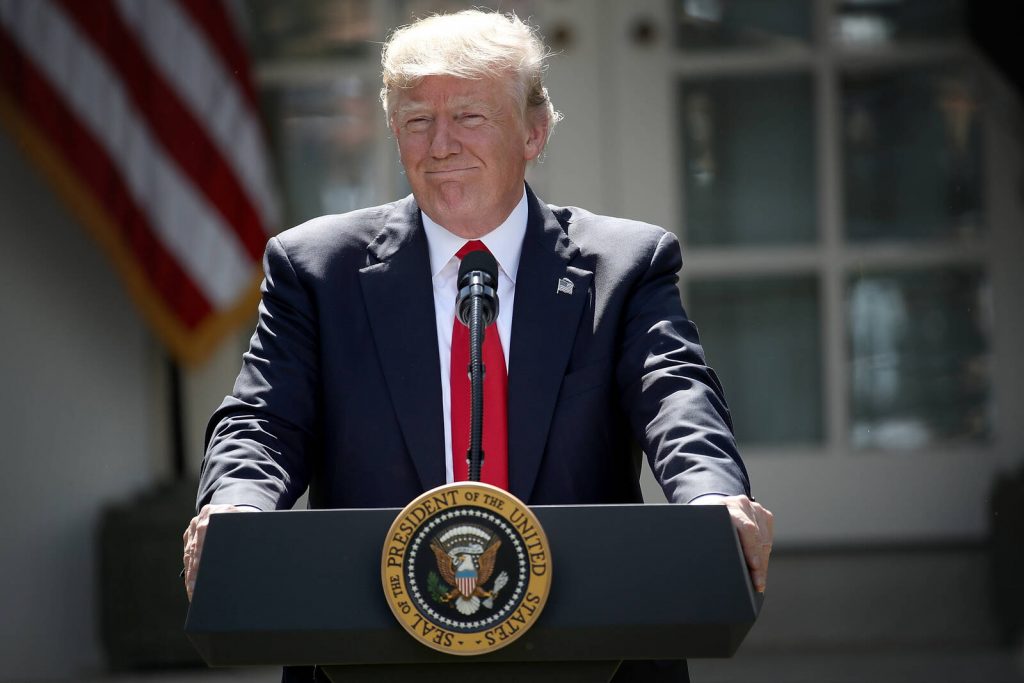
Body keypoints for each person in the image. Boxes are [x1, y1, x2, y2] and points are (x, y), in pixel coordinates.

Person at [183, 9, 773, 682]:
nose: (440, 145)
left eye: (469, 116)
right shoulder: (316, 269)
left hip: (592, 650)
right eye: (416, 120)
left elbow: (677, 395)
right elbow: (264, 420)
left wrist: (709, 499)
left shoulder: (624, 264)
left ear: (533, 131)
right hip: (368, 650)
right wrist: (234, 505)